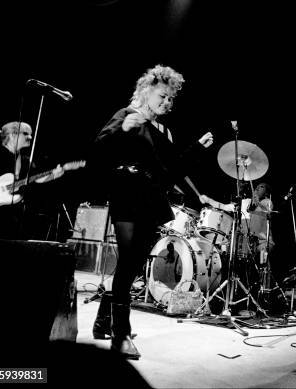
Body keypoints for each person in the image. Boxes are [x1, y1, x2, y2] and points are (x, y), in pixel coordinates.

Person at [90, 65, 214, 360]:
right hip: (127, 193)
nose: (168, 103)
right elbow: (100, 146)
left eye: (172, 99)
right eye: (163, 95)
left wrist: (196, 148)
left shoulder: (164, 131)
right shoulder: (127, 113)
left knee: (132, 267)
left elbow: (171, 171)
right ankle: (120, 335)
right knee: (129, 262)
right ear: (146, 91)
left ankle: (104, 320)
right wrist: (125, 128)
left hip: (151, 199)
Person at [0, 121, 63, 239]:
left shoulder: (24, 161)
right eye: (25, 134)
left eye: (31, 134)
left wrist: (53, 175)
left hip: (10, 215)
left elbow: (37, 178)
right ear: (12, 135)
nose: (30, 137)